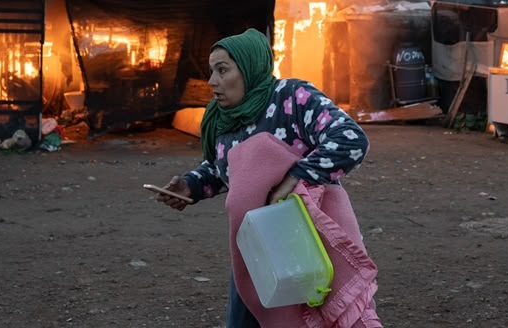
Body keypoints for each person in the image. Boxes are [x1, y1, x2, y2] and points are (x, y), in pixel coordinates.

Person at [154, 27, 371, 327]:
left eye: (222, 70)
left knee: (320, 318)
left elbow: (350, 139)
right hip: (256, 245)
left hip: (310, 242)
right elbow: (224, 169)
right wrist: (191, 185)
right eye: (211, 71)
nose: (212, 81)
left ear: (248, 68)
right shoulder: (223, 117)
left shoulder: (292, 98)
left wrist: (295, 177)